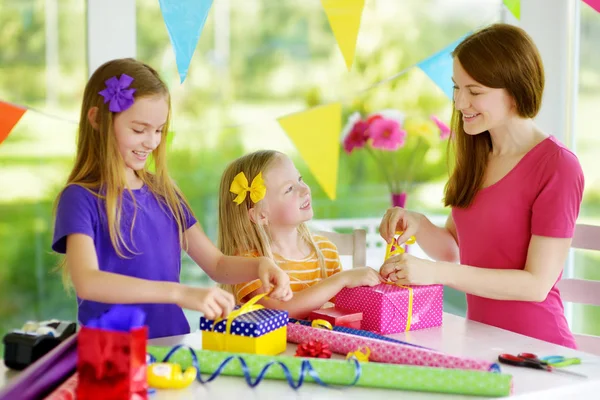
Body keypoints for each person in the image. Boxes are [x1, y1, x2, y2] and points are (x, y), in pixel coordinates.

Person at [52, 58, 292, 339]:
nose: (152, 142)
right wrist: (178, 293)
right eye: (139, 130)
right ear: (96, 119)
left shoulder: (165, 192)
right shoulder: (80, 198)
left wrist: (260, 264)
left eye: (158, 130)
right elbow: (88, 282)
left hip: (172, 345)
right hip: (112, 354)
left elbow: (216, 265)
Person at [379, 24, 584, 348]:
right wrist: (417, 223)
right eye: (456, 88)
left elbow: (536, 285)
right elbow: (452, 249)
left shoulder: (557, 165)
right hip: (480, 341)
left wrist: (435, 275)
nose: (460, 103)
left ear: (515, 91)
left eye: (474, 92)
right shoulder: (478, 154)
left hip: (538, 349)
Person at [218, 150, 383, 318]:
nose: (304, 190)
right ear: (261, 215)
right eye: (289, 189)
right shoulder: (249, 265)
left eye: (300, 179)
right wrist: (341, 279)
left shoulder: (327, 251)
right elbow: (282, 311)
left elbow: (339, 308)